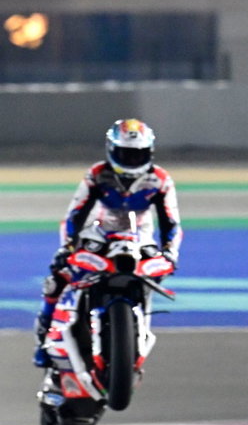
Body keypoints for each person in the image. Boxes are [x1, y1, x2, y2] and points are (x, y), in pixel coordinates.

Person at [34, 119, 182, 367]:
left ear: (149, 153)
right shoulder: (96, 174)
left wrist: (170, 253)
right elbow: (75, 214)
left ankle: (136, 332)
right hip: (98, 235)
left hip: (140, 238)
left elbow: (172, 222)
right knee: (56, 281)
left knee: (152, 278)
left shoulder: (160, 180)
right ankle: (43, 342)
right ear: (112, 150)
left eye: (138, 155)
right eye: (126, 154)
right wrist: (68, 246)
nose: (132, 161)